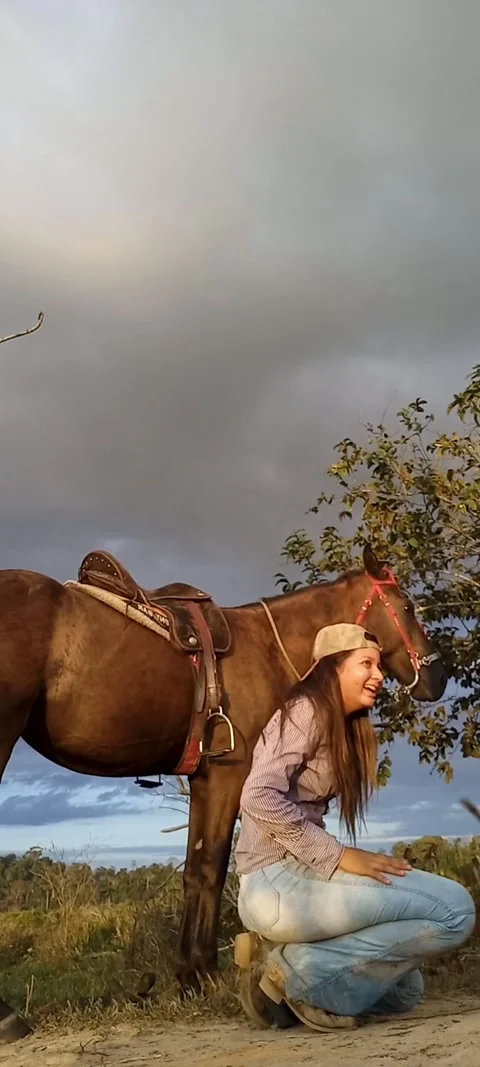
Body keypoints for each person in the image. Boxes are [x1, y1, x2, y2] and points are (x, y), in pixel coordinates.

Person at [234, 624, 475, 1032]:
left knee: (405, 991)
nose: (380, 676)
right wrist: (340, 856)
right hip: (275, 883)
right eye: (366, 664)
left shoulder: (340, 726)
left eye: (379, 666)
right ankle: (297, 972)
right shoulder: (305, 709)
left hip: (294, 886)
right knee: (455, 910)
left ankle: (285, 974)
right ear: (332, 669)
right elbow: (257, 796)